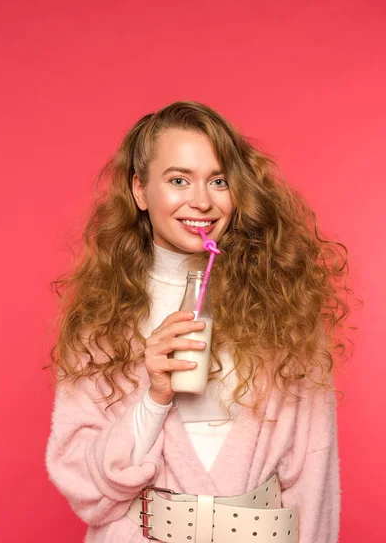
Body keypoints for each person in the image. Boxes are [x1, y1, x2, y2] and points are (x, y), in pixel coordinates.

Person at [46, 101, 352, 543]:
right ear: (139, 190)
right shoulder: (100, 317)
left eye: (219, 180)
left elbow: (314, 470)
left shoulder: (286, 307)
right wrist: (154, 396)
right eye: (178, 180)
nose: (203, 201)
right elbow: (82, 483)